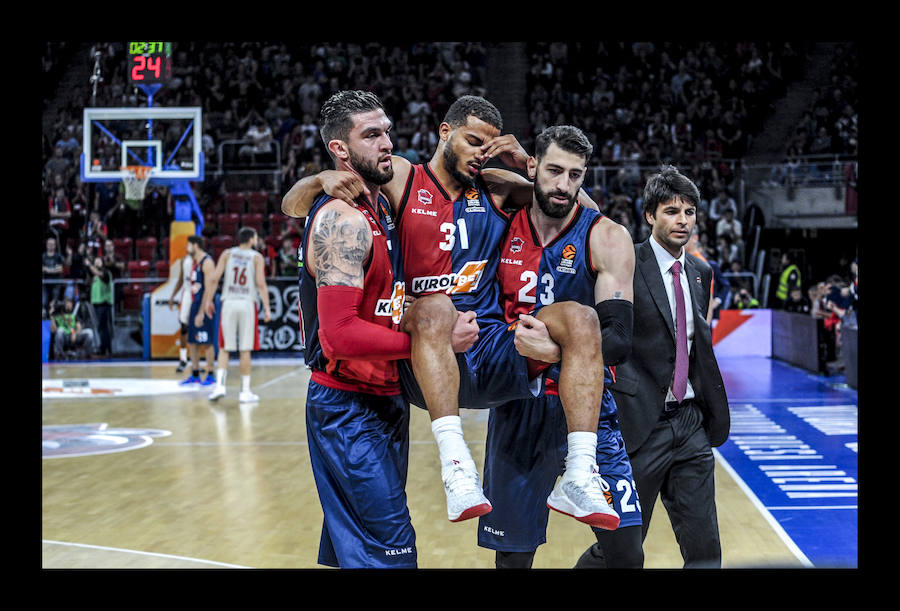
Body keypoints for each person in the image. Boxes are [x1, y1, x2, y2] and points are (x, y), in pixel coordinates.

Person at [283, 95, 618, 529]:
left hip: (488, 343)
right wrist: (321, 179)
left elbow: (582, 215)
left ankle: (579, 475)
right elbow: (293, 206)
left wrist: (529, 166)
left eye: (490, 145)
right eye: (473, 140)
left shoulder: (498, 185)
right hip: (427, 347)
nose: (481, 152)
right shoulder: (402, 177)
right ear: (445, 132)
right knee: (436, 306)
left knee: (580, 318)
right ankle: (457, 468)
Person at [477, 125, 644, 569]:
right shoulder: (497, 222)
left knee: (626, 553)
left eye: (575, 175)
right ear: (534, 167)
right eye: (554, 171)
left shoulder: (606, 236)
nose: (563, 185)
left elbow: (620, 341)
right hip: (518, 406)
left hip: (589, 410)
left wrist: (555, 355)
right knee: (513, 559)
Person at [298, 90, 430, 568]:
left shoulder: (383, 205)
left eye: (387, 131)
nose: (386, 143)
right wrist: (426, 344)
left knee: (356, 552)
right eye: (371, 135)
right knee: (392, 553)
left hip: (383, 399)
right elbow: (338, 334)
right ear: (340, 149)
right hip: (348, 406)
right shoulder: (343, 218)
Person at [603, 165, 730, 568]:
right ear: (650, 216)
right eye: (672, 211)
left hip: (690, 424)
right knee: (620, 551)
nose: (682, 221)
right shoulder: (627, 261)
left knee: (705, 548)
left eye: (689, 212)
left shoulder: (701, 272)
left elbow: (694, 347)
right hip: (640, 425)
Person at [207, 227, 272, 403]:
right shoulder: (256, 257)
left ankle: (220, 386)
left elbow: (214, 279)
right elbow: (261, 284)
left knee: (224, 348)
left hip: (228, 302)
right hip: (246, 303)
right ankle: (244, 392)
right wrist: (267, 308)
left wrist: (208, 301)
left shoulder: (227, 254)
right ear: (251, 239)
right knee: (245, 349)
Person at [180, 235, 217, 386]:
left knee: (206, 341)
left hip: (205, 305)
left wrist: (202, 312)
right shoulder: (194, 263)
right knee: (192, 341)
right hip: (195, 304)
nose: (186, 248)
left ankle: (210, 374)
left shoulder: (207, 262)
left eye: (188, 245)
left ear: (195, 245)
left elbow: (209, 289)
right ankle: (195, 373)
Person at [168, 249, 196, 372]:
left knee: (197, 328)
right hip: (187, 294)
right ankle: (183, 359)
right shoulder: (184, 260)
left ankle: (196, 362)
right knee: (184, 327)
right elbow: (180, 279)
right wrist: (172, 296)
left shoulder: (202, 260)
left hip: (197, 293)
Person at [87, 255, 114, 357]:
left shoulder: (106, 273)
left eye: (99, 261)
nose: (97, 263)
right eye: (95, 261)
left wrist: (89, 265)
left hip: (104, 303)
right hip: (96, 303)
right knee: (101, 327)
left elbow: (102, 276)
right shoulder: (94, 276)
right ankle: (105, 348)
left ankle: (105, 349)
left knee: (104, 327)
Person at [42, 237, 65, 311]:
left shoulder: (58, 256)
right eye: (49, 244)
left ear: (55, 245)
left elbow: (60, 269)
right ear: (46, 245)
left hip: (56, 283)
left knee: (54, 303)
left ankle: (52, 316)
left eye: (52, 244)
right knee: (44, 301)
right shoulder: (43, 256)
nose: (50, 245)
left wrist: (47, 269)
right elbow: (42, 269)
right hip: (45, 283)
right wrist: (53, 269)